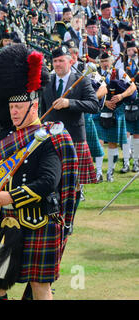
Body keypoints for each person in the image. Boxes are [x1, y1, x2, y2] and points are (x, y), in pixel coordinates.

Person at [0, 44, 78, 300]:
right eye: (11, 108)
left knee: (40, 287)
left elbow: (48, 182)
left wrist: (10, 197)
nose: (14, 112)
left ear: (33, 106)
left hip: (38, 222)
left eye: (19, 108)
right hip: (3, 222)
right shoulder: (2, 138)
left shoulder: (49, 136)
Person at [42, 45, 99, 208]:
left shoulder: (81, 80)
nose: (58, 64)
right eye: (55, 61)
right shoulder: (48, 81)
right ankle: (56, 215)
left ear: (70, 61)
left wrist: (69, 102)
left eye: (61, 60)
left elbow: (94, 105)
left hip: (73, 137)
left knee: (73, 183)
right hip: (51, 138)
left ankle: (70, 217)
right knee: (52, 178)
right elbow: (43, 109)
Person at [93, 48, 137, 181]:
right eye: (102, 61)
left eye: (106, 61)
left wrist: (121, 96)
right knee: (99, 142)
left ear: (111, 61)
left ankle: (109, 173)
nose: (104, 64)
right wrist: (104, 102)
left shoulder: (119, 72)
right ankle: (99, 172)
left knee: (112, 143)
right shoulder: (95, 75)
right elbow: (91, 93)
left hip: (117, 111)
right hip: (100, 110)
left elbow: (133, 87)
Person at [122, 40, 139, 172]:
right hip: (126, 99)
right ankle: (126, 161)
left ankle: (136, 162)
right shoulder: (121, 65)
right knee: (126, 132)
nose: (131, 53)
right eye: (129, 51)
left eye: (133, 50)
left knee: (137, 133)